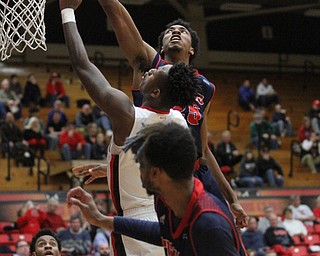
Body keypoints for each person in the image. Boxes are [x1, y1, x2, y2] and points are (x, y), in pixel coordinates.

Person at [60, 1, 202, 254]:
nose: (149, 72)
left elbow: (83, 65)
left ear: (156, 91)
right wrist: (116, 167)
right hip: (167, 219)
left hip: (137, 224)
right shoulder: (179, 121)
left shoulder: (128, 115)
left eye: (155, 73)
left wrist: (67, 11)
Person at [95, 0, 247, 226]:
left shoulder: (205, 87)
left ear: (192, 48)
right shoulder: (149, 68)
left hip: (199, 175)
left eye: (182, 31)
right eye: (169, 32)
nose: (175, 32)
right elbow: (121, 21)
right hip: (164, 178)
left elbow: (203, 149)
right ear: (162, 47)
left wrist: (231, 197)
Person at [67, 122, 246, 255]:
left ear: (155, 172)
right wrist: (100, 219)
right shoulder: (167, 199)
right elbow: (163, 233)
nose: (138, 171)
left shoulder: (209, 226)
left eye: (141, 165)